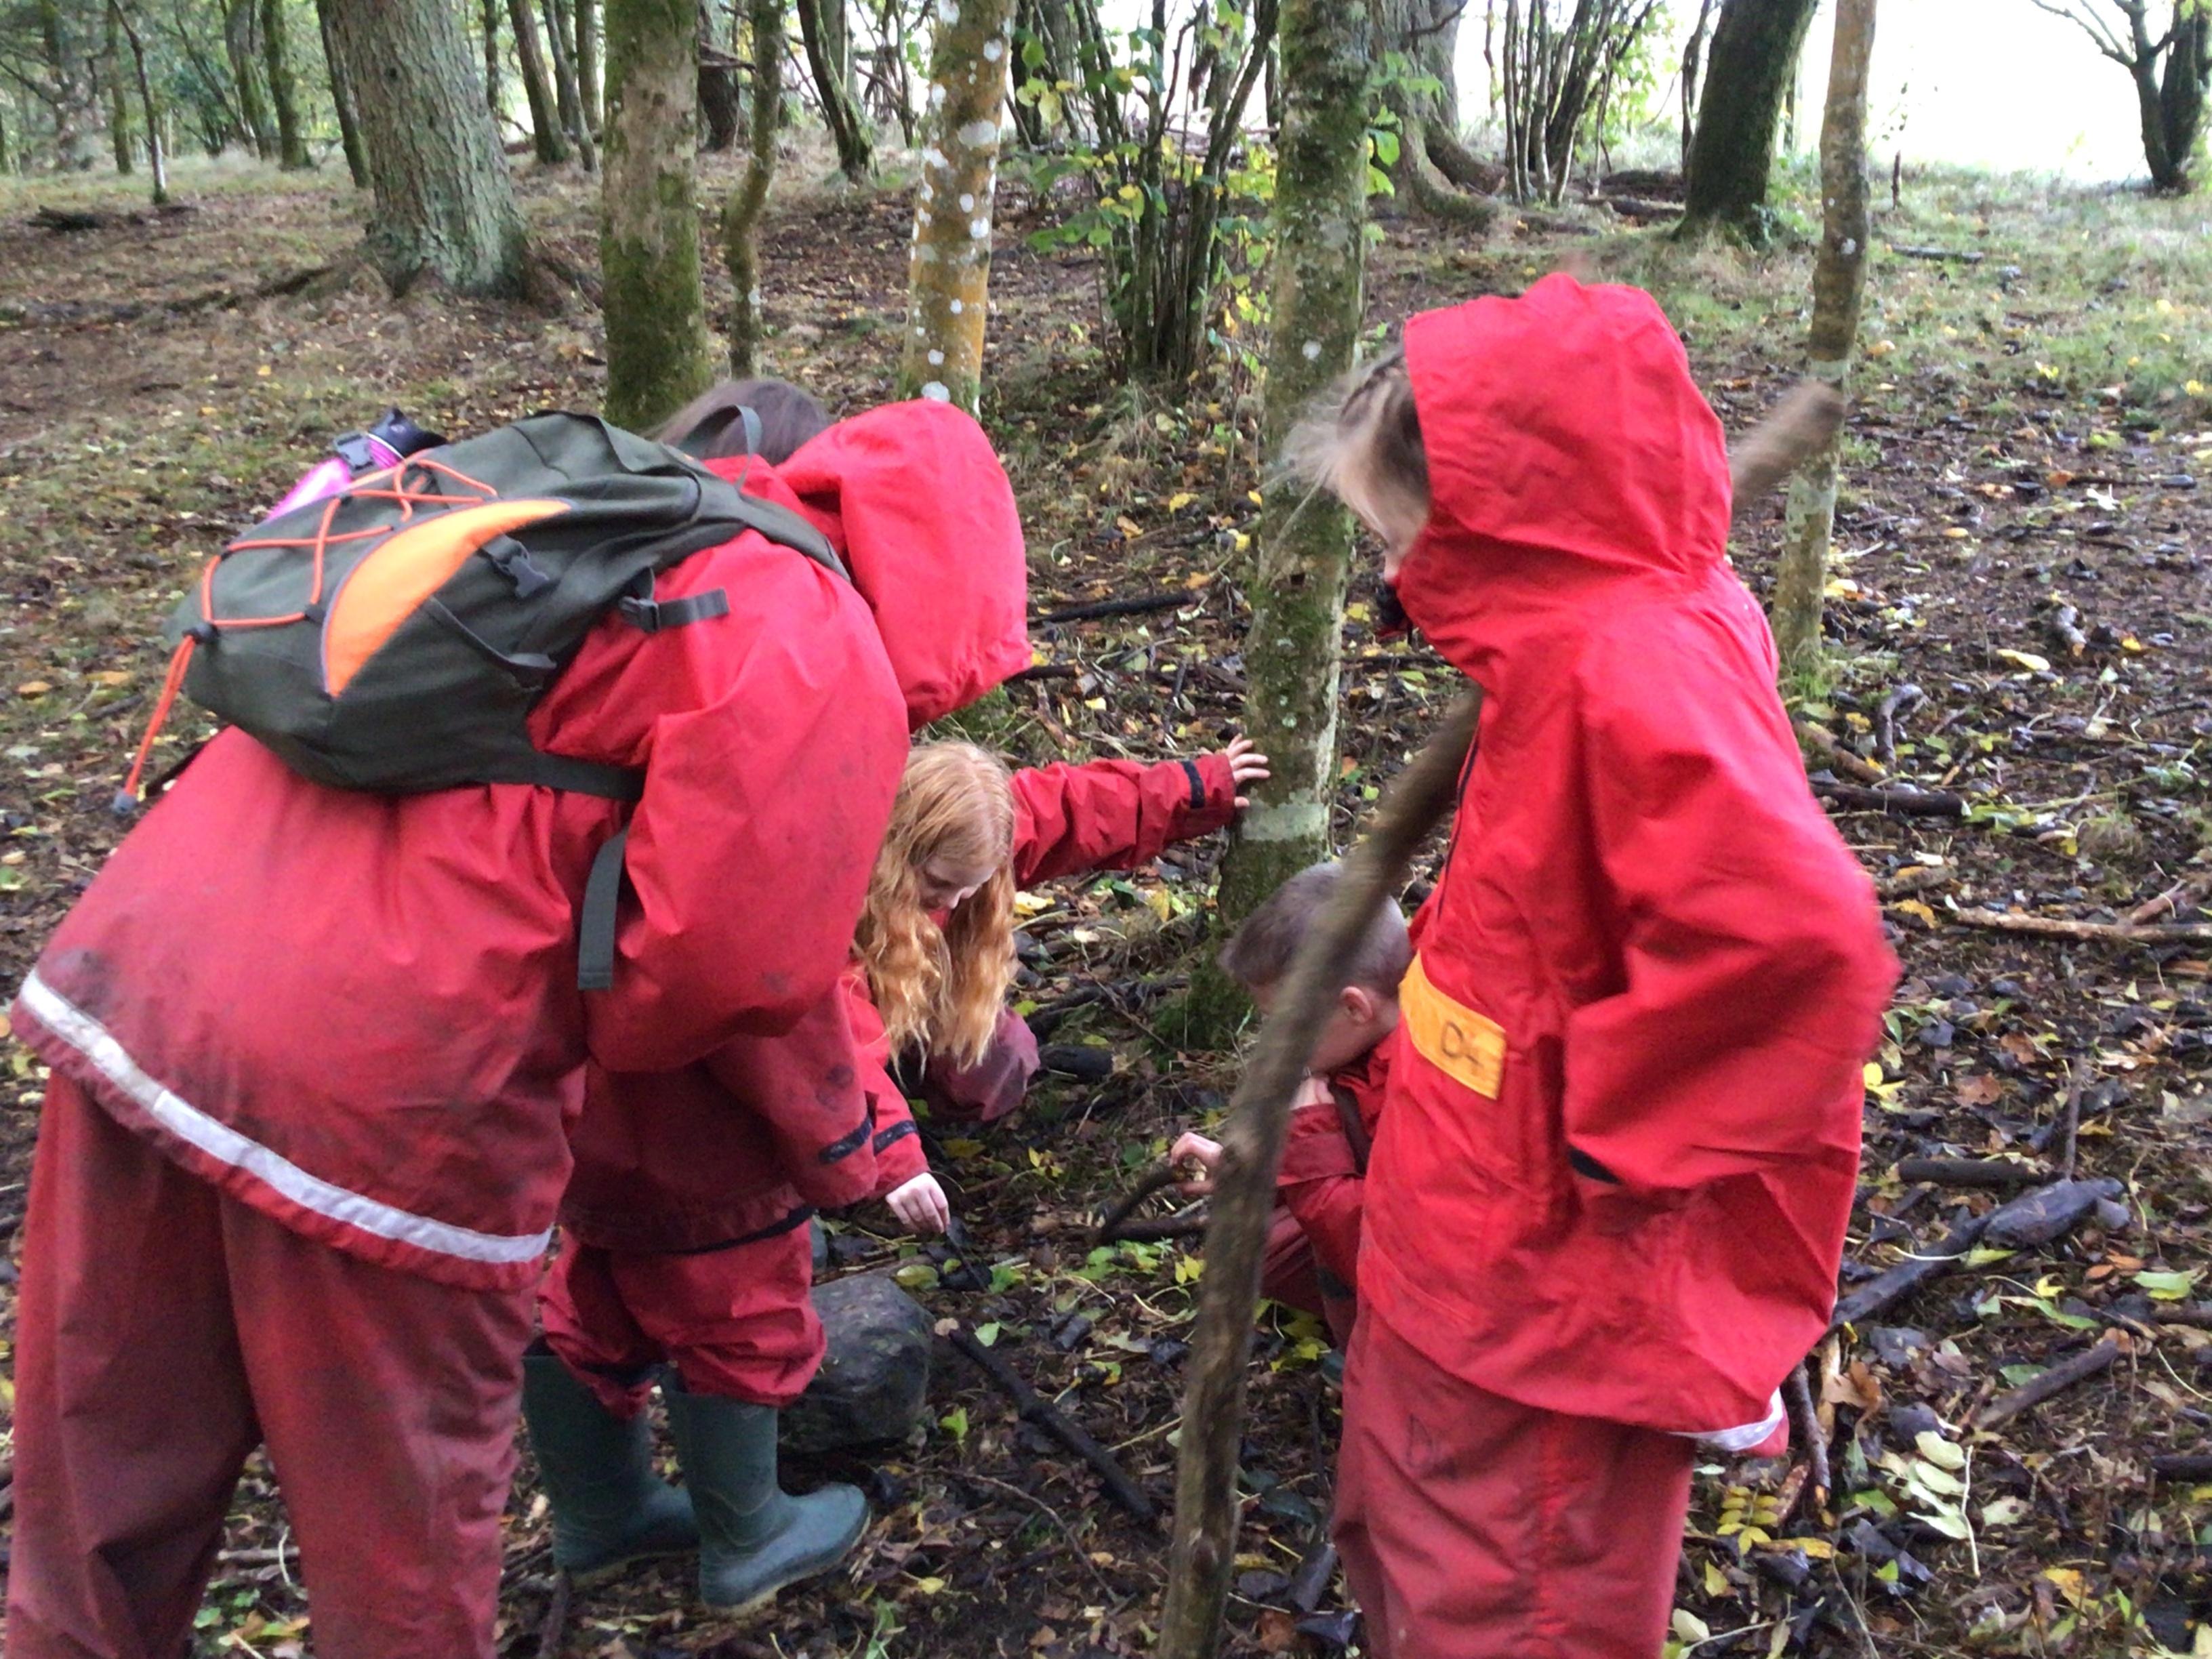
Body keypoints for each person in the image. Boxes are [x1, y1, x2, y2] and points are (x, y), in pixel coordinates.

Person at [5, 386, 1031, 1658]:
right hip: (375, 1081)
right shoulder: (807, 627)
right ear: (960, 571)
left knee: (107, 1477)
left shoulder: (613, 528)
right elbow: (725, 979)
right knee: (402, 1534)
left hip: (135, 973)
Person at [1283, 276, 1898, 1658]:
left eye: (1400, 538)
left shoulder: (1627, 668)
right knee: (1411, 1540)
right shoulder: (1561, 644)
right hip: (1464, 1245)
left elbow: (1796, 938)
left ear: (1493, 522)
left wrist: (1610, 1144)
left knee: (1509, 1603)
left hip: (1546, 1294)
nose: (1394, 578)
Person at [536, 735, 1268, 1602]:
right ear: (898, 855)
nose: (953, 905)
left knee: (594, 1304)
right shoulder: (806, 904)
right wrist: (892, 1163)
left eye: (966, 889)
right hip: (702, 1166)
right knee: (740, 1319)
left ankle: (598, 1518)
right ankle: (747, 1541)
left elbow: (1064, 810)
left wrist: (1195, 786)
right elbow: (829, 1046)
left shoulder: (898, 833)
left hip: (602, 1141)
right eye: (937, 891)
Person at [1168, 862, 1406, 1345]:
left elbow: (1396, 1254)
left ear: (1354, 1007)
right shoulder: (1355, 1050)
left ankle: (1380, 1346)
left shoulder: (1418, 1088)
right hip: (1362, 1218)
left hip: (1421, 1280)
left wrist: (1314, 1145)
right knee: (1255, 1246)